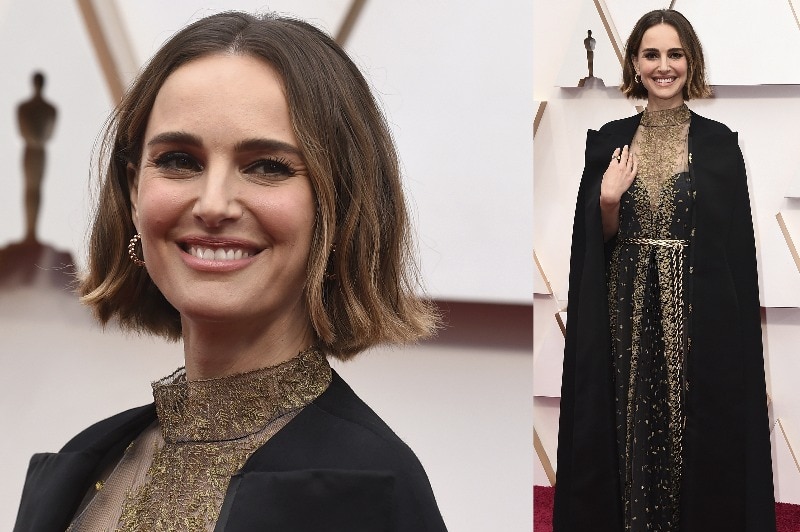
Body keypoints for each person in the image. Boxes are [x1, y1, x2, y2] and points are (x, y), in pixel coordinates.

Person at [13, 11, 446, 532]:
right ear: (133, 193)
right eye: (178, 159)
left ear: (340, 204)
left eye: (267, 166)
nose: (213, 203)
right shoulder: (83, 463)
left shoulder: (372, 489)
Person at [553, 9, 775, 532]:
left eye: (674, 54)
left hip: (696, 317)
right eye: (651, 54)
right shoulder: (608, 141)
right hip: (626, 310)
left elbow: (733, 254)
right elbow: (594, 249)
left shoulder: (720, 145)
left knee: (689, 426)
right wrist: (608, 200)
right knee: (629, 420)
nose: (663, 66)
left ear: (690, 60)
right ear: (634, 61)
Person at [17, 71, 57, 243]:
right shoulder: (24, 108)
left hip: (38, 152)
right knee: (30, 188)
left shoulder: (50, 110)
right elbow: (25, 132)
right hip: (32, 151)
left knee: (36, 188)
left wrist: (37, 140)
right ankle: (29, 231)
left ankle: (32, 231)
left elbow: (48, 134)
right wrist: (36, 140)